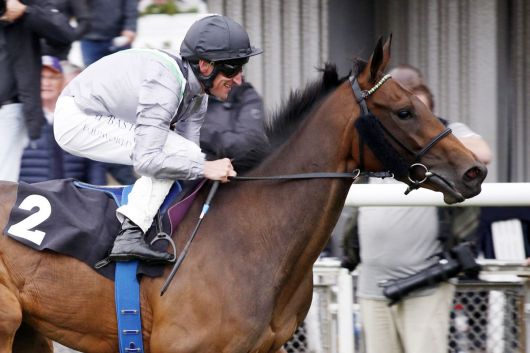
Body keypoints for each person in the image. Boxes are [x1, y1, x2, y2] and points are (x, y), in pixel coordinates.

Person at [53, 15, 263, 263]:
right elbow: (147, 160)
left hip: (100, 113)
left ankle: (147, 224)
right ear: (205, 66)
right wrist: (207, 167)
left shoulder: (198, 96)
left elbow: (189, 153)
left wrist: (206, 173)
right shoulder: (166, 83)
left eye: (242, 66)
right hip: (77, 119)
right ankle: (130, 233)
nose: (239, 78)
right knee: (178, 154)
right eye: (234, 67)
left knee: (185, 153)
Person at [353, 66, 492, 353]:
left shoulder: (443, 131)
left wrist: (431, 141)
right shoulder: (377, 142)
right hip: (372, 287)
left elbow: (483, 152)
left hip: (426, 283)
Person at [0, 0, 75, 182]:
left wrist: (25, 12)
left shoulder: (25, 4)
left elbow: (65, 33)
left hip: (8, 109)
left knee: (3, 184)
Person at [19, 56, 106, 184]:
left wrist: (97, 194)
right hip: (28, 199)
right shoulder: (19, 118)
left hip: (71, 197)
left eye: (53, 77)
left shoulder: (79, 116)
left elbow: (95, 162)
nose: (47, 83)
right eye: (41, 77)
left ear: (63, 82)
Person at [200, 77, 268, 169]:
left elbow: (249, 144)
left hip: (230, 171)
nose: (237, 79)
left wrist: (204, 134)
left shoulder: (247, 97)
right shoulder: (193, 94)